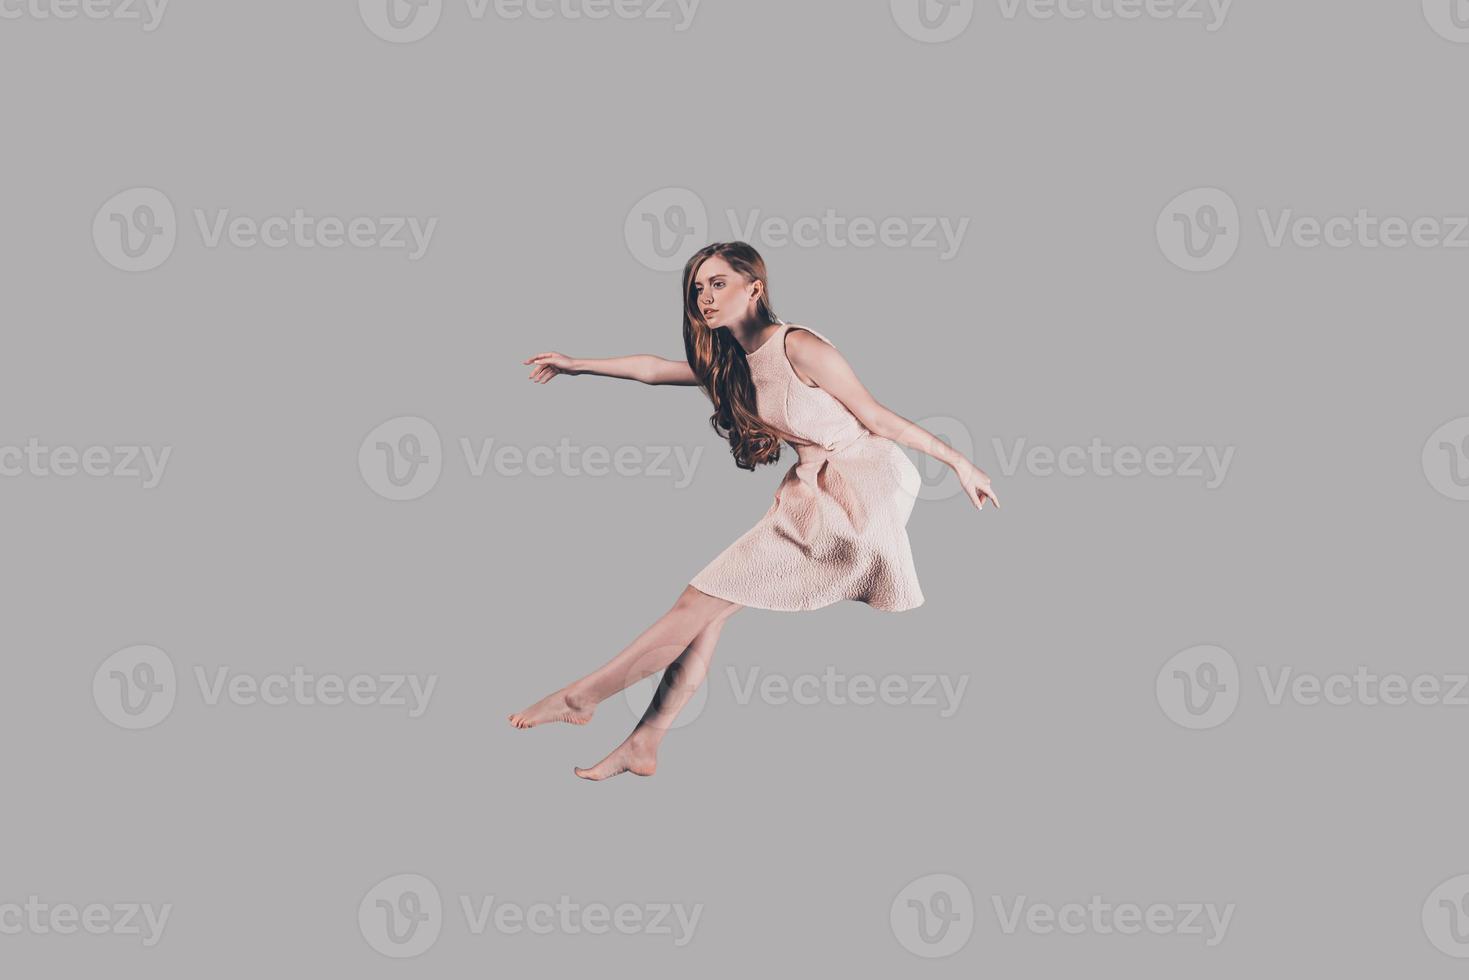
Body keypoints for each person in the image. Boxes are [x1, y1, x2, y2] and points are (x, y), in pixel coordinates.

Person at [510, 241, 999, 780]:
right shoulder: (732, 362)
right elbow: (653, 370)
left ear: (754, 288)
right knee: (709, 612)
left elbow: (876, 416)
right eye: (698, 287)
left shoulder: (799, 345)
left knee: (697, 603)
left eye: (718, 283)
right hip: (813, 489)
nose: (705, 297)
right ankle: (644, 743)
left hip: (862, 483)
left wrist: (959, 463)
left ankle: (583, 698)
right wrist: (576, 364)